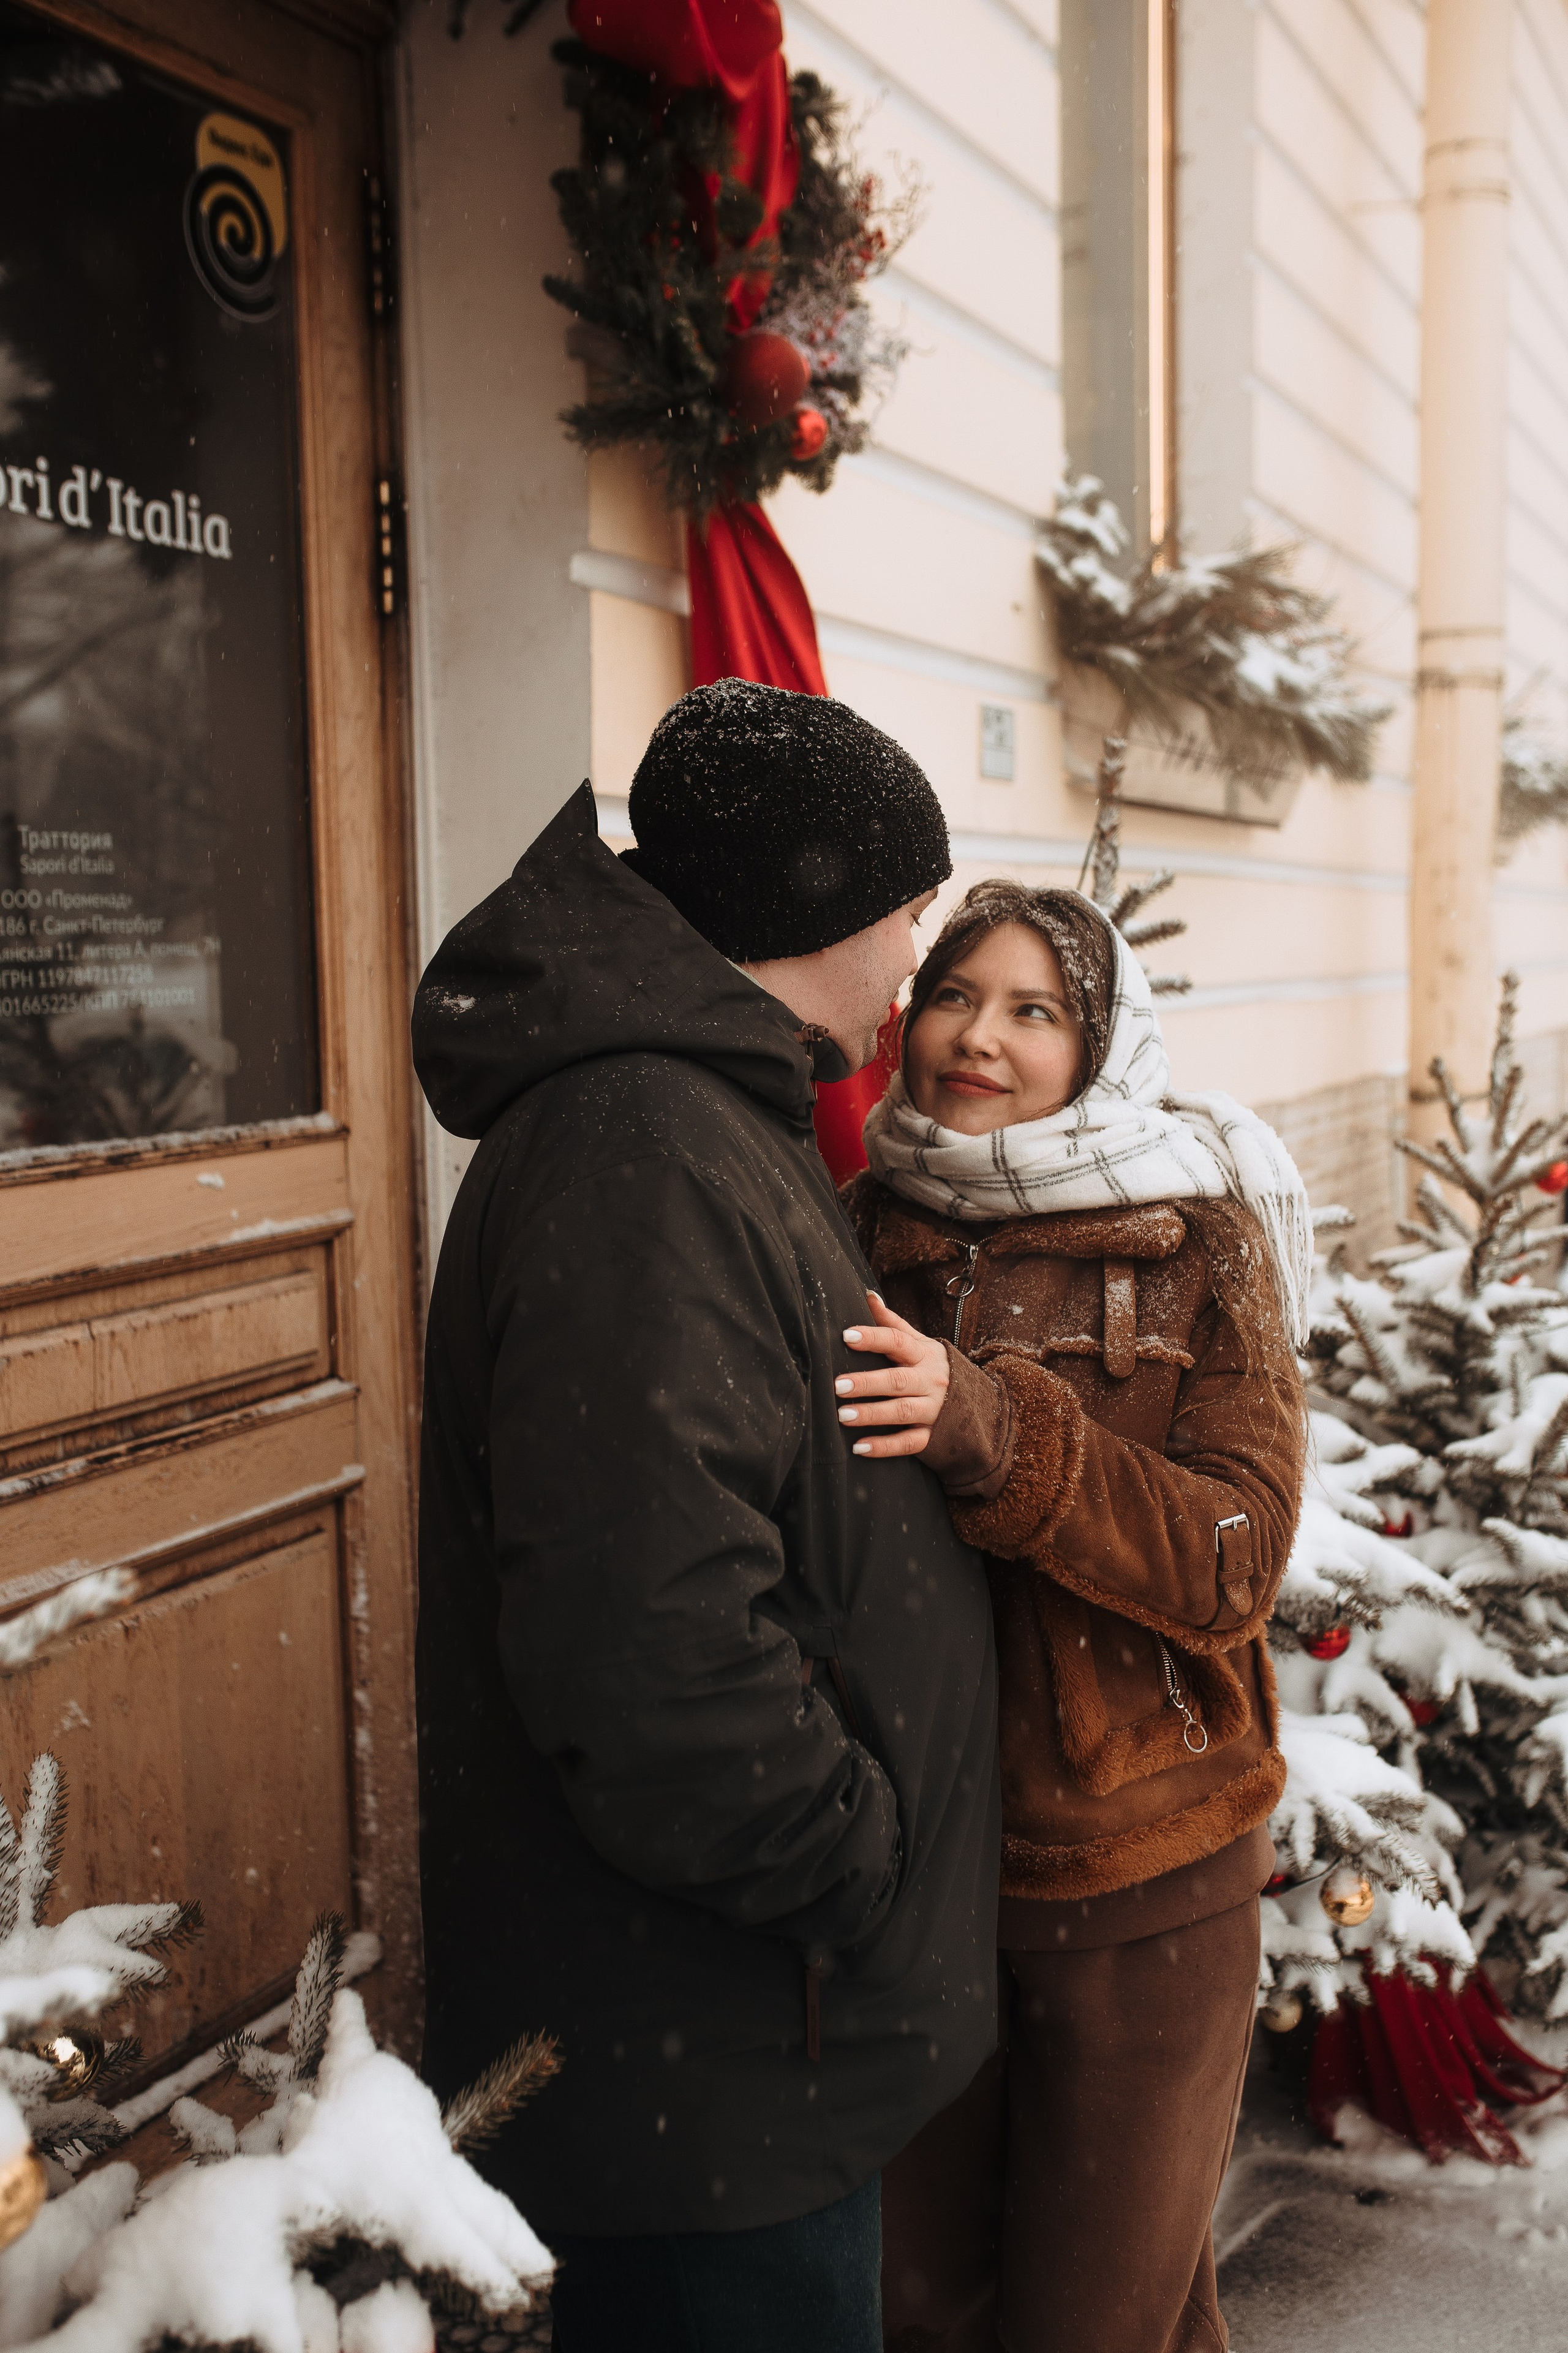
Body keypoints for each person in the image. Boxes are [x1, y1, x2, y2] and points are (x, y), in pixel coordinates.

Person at [411, 681, 1001, 2353]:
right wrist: (852, 1861)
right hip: (712, 2072)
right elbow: (645, 1645)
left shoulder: (693, 1109)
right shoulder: (643, 1148)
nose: (915, 960)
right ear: (820, 904)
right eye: (911, 912)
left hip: (736, 2054)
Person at [835, 879, 1308, 2353]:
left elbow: (1236, 1555)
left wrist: (1001, 1433)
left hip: (1143, 1883)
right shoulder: (850, 1223)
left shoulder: (1199, 1241)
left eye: (1034, 1010)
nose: (977, 1037)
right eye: (956, 995)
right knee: (929, 2319)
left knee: (1094, 2323)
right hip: (913, 1881)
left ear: (1099, 1043)